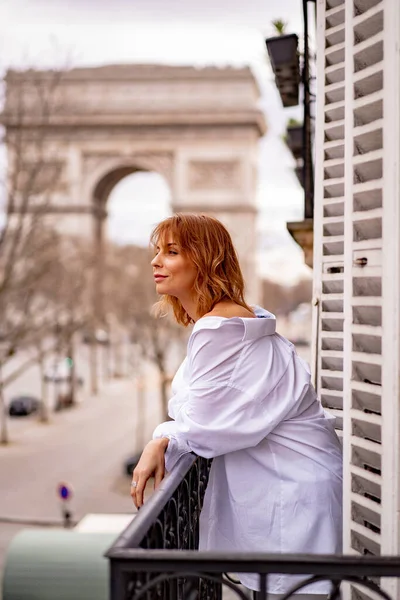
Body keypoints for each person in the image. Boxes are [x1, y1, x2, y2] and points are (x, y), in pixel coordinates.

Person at [130, 213, 342, 597]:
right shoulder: (231, 321)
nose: (155, 261)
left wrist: (160, 436)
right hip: (293, 489)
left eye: (172, 252)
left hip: (288, 497)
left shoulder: (218, 330)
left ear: (205, 261)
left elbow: (207, 428)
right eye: (157, 251)